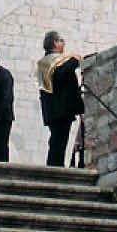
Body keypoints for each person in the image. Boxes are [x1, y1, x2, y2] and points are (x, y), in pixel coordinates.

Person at [36, 30, 84, 168]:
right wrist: (74, 60)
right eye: (61, 41)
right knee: (59, 140)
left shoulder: (45, 62)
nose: (64, 44)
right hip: (60, 108)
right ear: (54, 42)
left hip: (54, 108)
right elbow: (60, 75)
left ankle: (56, 165)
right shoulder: (49, 61)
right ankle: (55, 166)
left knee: (58, 139)